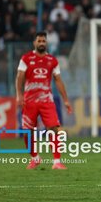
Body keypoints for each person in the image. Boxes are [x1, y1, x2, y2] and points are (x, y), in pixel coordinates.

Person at [16, 32, 73, 170]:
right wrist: (19, 95)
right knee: (27, 132)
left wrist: (65, 100)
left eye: (43, 41)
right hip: (29, 102)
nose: (42, 43)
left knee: (54, 129)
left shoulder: (52, 60)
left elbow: (58, 80)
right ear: (34, 43)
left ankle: (57, 162)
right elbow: (20, 77)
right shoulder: (26, 58)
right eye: (39, 41)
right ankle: (35, 158)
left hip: (47, 101)